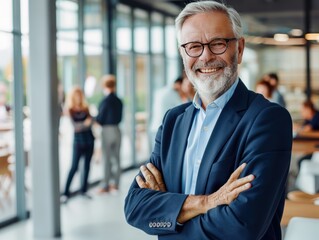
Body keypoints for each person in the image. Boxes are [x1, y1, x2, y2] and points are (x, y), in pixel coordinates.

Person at [124, 1, 292, 240]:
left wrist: (170, 216)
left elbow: (242, 227)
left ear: (240, 49)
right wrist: (208, 202)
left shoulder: (268, 120)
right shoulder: (173, 121)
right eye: (193, 46)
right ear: (183, 54)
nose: (206, 56)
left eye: (217, 43)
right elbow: (134, 207)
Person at [61, 87, 95, 203]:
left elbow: (91, 123)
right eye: (76, 95)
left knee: (87, 166)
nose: (78, 97)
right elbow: (75, 127)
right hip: (78, 142)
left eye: (80, 95)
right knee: (74, 167)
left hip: (89, 141)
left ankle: (84, 190)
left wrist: (84, 125)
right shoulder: (69, 110)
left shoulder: (86, 108)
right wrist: (85, 124)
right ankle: (65, 193)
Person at [95, 74, 123, 193]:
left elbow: (100, 119)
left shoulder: (104, 101)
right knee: (116, 158)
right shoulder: (119, 101)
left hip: (106, 130)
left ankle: (105, 184)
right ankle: (115, 184)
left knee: (106, 159)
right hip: (117, 130)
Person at [150, 76, 187, 142]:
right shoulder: (173, 94)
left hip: (155, 127)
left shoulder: (160, 91)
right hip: (163, 129)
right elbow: (184, 108)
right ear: (178, 84)